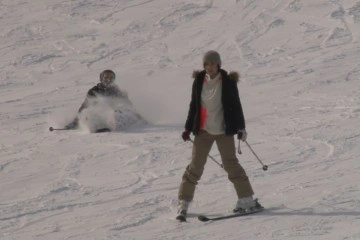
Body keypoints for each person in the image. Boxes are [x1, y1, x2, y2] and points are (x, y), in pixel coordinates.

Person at [176, 50, 262, 220]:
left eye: (213, 63)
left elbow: (236, 105)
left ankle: (246, 199)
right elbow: (194, 106)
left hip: (223, 131)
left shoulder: (228, 81)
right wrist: (187, 128)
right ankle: (183, 202)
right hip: (203, 131)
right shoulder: (199, 81)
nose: (210, 67)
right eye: (206, 64)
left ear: (218, 64)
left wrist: (241, 128)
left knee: (231, 164)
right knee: (195, 167)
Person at [65, 69, 129, 131]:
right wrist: (75, 121)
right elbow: (85, 106)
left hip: (112, 116)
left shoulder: (116, 91)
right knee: (88, 114)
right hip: (98, 115)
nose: (109, 80)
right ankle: (95, 127)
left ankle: (114, 126)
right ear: (101, 79)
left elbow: (127, 104)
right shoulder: (94, 91)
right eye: (106, 77)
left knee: (117, 114)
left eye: (111, 78)